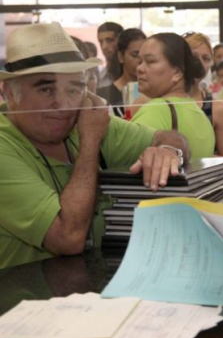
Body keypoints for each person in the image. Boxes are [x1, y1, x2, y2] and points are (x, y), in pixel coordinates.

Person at [0, 22, 190, 269]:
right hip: (20, 301)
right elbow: (67, 238)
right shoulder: (86, 129)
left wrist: (167, 152)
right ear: (9, 94)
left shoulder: (87, 121)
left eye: (73, 89)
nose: (64, 105)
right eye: (46, 89)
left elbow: (174, 139)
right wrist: (90, 143)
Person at [131, 32, 215, 161]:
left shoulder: (156, 109)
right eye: (140, 61)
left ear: (177, 72)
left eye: (150, 61)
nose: (139, 69)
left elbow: (123, 164)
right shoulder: (200, 114)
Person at [183, 32, 223, 156]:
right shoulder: (153, 101)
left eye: (206, 58)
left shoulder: (218, 109)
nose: (199, 63)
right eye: (194, 56)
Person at [98, 28, 146, 117]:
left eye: (146, 56)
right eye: (135, 55)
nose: (141, 61)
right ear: (121, 56)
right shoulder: (103, 95)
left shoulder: (153, 93)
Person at [97, 21, 124, 88]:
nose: (104, 46)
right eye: (101, 42)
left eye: (109, 40)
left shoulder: (134, 75)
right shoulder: (99, 79)